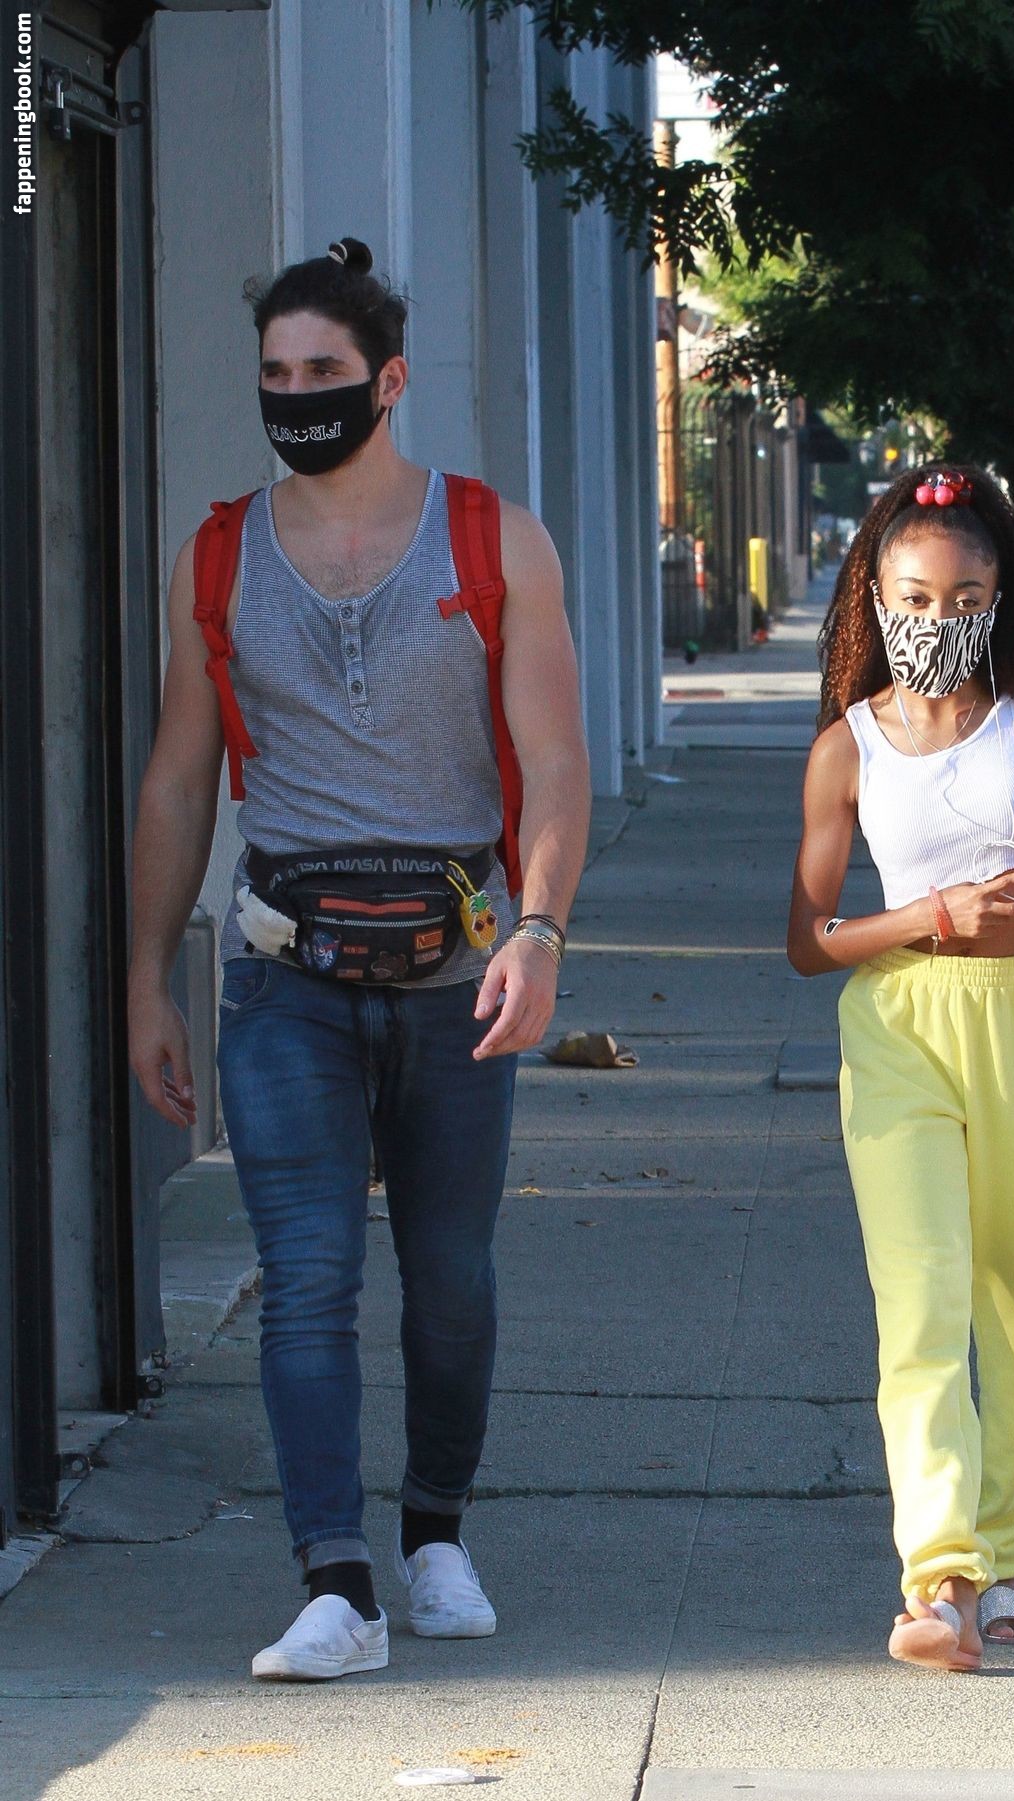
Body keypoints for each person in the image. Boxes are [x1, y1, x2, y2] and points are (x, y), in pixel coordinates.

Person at [128, 238, 591, 1681]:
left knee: (448, 1279)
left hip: (458, 974)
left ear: (388, 381)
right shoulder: (218, 556)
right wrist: (146, 979)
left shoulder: (493, 541)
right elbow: (177, 781)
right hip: (284, 978)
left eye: (323, 371)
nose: (296, 396)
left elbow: (555, 761)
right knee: (307, 1275)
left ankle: (435, 1532)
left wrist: (541, 931)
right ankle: (335, 1582)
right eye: (275, 375)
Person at [787, 464, 1014, 1674]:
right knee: (923, 1301)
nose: (936, 620)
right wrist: (929, 915)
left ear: (998, 600)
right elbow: (808, 940)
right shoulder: (844, 749)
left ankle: (1004, 1549)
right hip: (899, 1029)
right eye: (913, 598)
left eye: (964, 599)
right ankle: (937, 1577)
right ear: (873, 598)